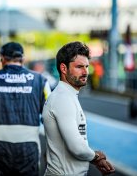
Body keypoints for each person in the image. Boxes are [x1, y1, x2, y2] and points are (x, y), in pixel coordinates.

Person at [0, 42, 51, 176]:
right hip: (29, 147)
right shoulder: (40, 80)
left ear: (2, 58)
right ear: (23, 59)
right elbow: (51, 117)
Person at [42, 41, 115, 176]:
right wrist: (96, 157)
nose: (85, 72)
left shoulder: (67, 95)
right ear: (64, 69)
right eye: (79, 67)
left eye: (87, 66)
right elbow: (76, 147)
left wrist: (94, 159)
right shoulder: (62, 98)